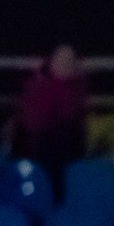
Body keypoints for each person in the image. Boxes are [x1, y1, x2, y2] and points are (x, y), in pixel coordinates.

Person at [10, 44, 89, 186]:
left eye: (69, 60)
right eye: (61, 59)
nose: (65, 64)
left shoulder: (78, 90)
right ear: (51, 62)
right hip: (42, 148)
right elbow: (32, 123)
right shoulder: (38, 87)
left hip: (66, 150)